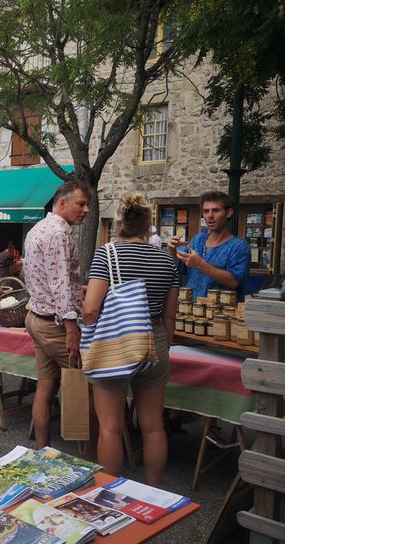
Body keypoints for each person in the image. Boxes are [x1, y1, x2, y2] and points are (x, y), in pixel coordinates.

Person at [83, 193, 179, 486]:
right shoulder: (167, 261)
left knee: (110, 427)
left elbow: (90, 308)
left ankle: (110, 495)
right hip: (156, 342)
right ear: (148, 224)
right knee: (153, 427)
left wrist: (91, 333)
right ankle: (153, 492)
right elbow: (170, 315)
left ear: (120, 222)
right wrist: (165, 345)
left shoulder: (107, 254)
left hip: (116, 343)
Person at [23, 180, 96, 457]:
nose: (86, 210)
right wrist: (71, 328)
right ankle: (90, 456)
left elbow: (50, 278)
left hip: (37, 317)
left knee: (45, 385)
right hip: (54, 324)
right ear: (62, 203)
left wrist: (81, 289)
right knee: (85, 385)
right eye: (81, 204)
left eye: (87, 204)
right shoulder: (58, 232)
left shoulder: (39, 228)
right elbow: (61, 282)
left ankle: (43, 451)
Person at [168, 191, 251, 301]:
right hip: (190, 311)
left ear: (229, 213)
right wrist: (172, 250)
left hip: (221, 314)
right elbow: (177, 267)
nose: (210, 215)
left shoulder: (239, 246)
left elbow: (234, 282)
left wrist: (200, 264)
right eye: (206, 211)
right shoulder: (198, 239)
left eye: (216, 210)